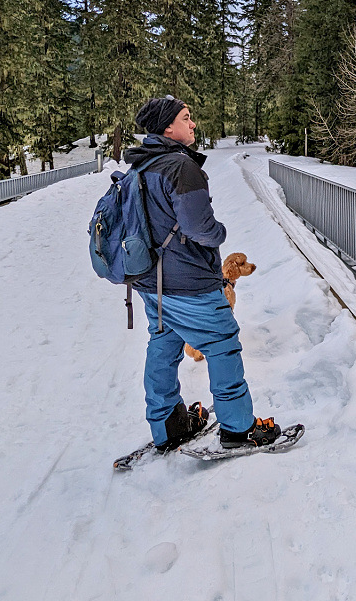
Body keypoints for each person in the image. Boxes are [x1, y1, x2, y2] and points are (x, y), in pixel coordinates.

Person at [129, 94, 280, 452]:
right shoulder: (181, 167)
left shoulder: (141, 165)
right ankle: (239, 429)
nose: (193, 123)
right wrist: (220, 232)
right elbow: (201, 228)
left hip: (151, 283)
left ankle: (169, 427)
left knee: (163, 347)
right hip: (189, 283)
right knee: (223, 344)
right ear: (168, 126)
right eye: (186, 117)